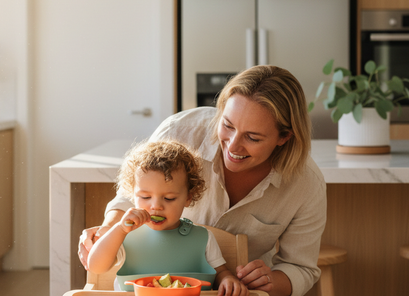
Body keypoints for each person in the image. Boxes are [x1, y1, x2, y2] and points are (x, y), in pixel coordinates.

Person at [79, 65, 327, 296]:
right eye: (227, 125)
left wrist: (271, 280)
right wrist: (109, 229)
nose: (233, 145)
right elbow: (131, 191)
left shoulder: (306, 183)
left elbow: (301, 268)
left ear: (283, 137)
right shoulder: (181, 131)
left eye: (252, 137)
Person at [87, 140, 248, 296]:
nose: (156, 206)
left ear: (188, 198)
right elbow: (96, 267)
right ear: (133, 195)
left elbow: (221, 272)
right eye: (145, 197)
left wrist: (228, 279)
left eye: (169, 198)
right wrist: (119, 229)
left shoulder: (203, 237)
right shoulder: (125, 235)